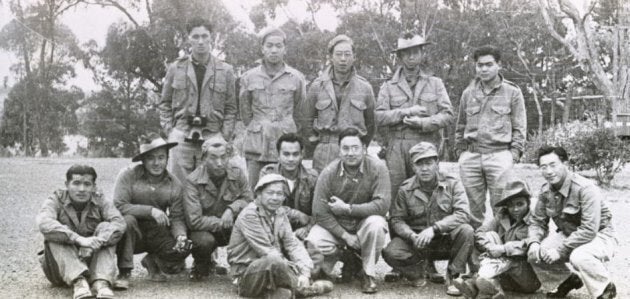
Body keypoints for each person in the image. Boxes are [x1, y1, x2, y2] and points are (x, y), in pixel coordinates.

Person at [305, 128, 391, 294]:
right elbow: (319, 211)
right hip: (338, 226)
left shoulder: (378, 168)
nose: (350, 153)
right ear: (339, 150)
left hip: (363, 224)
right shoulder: (329, 172)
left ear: (364, 149)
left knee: (377, 224)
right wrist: (345, 236)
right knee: (314, 240)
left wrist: (348, 209)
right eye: (345, 148)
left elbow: (382, 205)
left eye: (355, 148)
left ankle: (368, 273)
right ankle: (336, 265)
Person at [382, 142, 473, 296]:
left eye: (429, 163)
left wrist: (435, 228)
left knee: (466, 231)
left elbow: (463, 213)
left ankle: (454, 276)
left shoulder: (452, 184)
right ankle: (417, 272)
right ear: (413, 166)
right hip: (417, 243)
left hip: (443, 240)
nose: (424, 169)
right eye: (419, 164)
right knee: (390, 251)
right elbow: (397, 219)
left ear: (437, 163)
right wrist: (411, 235)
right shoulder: (405, 189)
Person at [526, 146, 617, 299]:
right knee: (535, 253)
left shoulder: (585, 188)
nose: (548, 171)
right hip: (570, 234)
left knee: (579, 256)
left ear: (565, 164)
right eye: (543, 167)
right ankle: (565, 281)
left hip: (600, 235)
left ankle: (605, 287)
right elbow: (537, 222)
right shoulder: (545, 191)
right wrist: (534, 242)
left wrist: (560, 250)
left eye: (553, 165)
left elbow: (589, 229)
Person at [454, 45, 527, 229]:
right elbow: (460, 126)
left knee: (503, 206)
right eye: (480, 65)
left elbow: (520, 127)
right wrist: (460, 152)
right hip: (471, 156)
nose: (484, 69)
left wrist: (514, 154)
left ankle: (502, 251)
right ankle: (475, 254)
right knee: (471, 211)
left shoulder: (512, 92)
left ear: (498, 65)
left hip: (499, 155)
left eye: (489, 64)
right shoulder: (468, 93)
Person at [228, 174, 333, 298]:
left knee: (310, 251)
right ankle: (305, 289)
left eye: (279, 194)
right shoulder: (249, 214)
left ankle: (278, 292)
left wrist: (305, 273)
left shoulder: (280, 212)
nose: (275, 198)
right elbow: (266, 251)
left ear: (284, 197)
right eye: (270, 193)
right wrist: (296, 273)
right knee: (273, 260)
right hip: (247, 271)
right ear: (259, 194)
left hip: (275, 265)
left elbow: (292, 244)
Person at [159, 17, 237, 184]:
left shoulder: (226, 70)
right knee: (179, 185)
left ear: (212, 37)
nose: (200, 41)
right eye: (195, 36)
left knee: (209, 185)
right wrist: (169, 130)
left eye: (204, 36)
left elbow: (231, 108)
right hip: (182, 134)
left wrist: (224, 135)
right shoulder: (175, 68)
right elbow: (164, 102)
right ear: (188, 38)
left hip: (213, 135)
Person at [375, 32, 453, 199]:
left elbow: (448, 114)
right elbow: (379, 117)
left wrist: (423, 123)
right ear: (400, 56)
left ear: (422, 54)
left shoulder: (435, 83)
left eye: (415, 52)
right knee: (397, 193)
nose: (411, 57)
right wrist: (405, 112)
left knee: (427, 191)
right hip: (397, 146)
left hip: (425, 143)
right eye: (406, 53)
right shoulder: (388, 86)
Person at [113, 133, 191, 289]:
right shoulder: (128, 175)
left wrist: (181, 236)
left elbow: (176, 217)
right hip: (132, 232)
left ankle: (153, 260)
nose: (157, 163)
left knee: (183, 247)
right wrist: (150, 211)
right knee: (127, 221)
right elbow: (119, 205)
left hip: (157, 231)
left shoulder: (174, 183)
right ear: (143, 160)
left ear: (167, 159)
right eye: (151, 158)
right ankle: (124, 271)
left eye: (161, 158)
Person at [36, 165, 126, 299]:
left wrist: (96, 242)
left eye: (87, 184)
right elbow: (44, 222)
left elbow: (119, 222)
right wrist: (79, 239)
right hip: (59, 270)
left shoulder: (100, 199)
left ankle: (101, 283)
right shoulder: (55, 199)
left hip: (92, 265)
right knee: (56, 232)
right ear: (67, 184)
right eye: (76, 183)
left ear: (94, 186)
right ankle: (79, 282)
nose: (82, 189)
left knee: (106, 227)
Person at [298, 34, 376, 172]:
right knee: (323, 189)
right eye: (339, 54)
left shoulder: (365, 88)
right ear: (330, 57)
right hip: (325, 149)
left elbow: (371, 123)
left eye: (347, 54)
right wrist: (317, 144)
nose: (343, 59)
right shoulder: (317, 86)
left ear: (354, 57)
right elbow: (306, 120)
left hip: (353, 149)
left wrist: (361, 144)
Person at [453, 177, 541, 298]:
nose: (515, 209)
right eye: (511, 205)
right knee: (489, 236)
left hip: (525, 278)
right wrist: (490, 247)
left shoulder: (535, 221)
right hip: (502, 272)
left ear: (528, 203)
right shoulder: (501, 216)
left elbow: (531, 243)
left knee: (507, 259)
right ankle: (490, 287)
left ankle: (475, 283)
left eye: (520, 204)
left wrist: (503, 249)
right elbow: (480, 232)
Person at [239, 27, 307, 186]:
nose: (274, 50)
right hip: (257, 144)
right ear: (262, 49)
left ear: (285, 49)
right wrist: (258, 126)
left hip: (285, 143)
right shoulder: (249, 77)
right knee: (255, 189)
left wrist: (288, 127)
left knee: (284, 190)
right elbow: (245, 112)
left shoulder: (296, 78)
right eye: (269, 46)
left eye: (278, 46)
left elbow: (300, 112)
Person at [183, 135, 253, 280]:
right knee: (203, 242)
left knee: (250, 228)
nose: (219, 163)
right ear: (203, 159)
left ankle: (243, 267)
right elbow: (194, 221)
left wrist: (232, 209)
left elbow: (249, 200)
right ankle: (201, 263)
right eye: (213, 158)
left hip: (232, 226)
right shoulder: (192, 181)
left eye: (223, 157)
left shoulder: (238, 173)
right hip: (205, 230)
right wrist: (222, 222)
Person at [259, 133, 318, 239]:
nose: (291, 159)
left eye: (295, 154)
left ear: (301, 155)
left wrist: (307, 229)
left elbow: (319, 211)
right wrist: (296, 214)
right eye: (286, 154)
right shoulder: (268, 174)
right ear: (278, 155)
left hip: (303, 231)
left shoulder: (312, 178)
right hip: (274, 227)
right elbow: (264, 206)